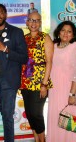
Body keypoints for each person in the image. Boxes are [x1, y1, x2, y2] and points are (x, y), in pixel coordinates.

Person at [0, 3, 28, 142]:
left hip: (9, 81)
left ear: (5, 15)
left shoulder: (16, 32)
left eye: (1, 12)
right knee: (4, 114)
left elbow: (24, 57)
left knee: (8, 116)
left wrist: (5, 49)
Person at [46, 21, 76, 142]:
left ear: (73, 35)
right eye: (63, 30)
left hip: (71, 90)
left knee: (70, 124)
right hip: (55, 90)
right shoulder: (53, 46)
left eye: (69, 32)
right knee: (57, 119)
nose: (66, 33)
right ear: (58, 32)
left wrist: (72, 94)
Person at [20, 12, 53, 142]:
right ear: (27, 22)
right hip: (25, 81)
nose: (34, 23)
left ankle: (42, 139)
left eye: (37, 21)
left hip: (40, 81)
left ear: (40, 23)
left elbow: (49, 61)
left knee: (36, 114)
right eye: (31, 20)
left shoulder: (45, 38)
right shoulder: (23, 38)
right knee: (29, 114)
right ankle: (36, 139)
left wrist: (44, 84)